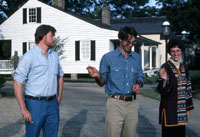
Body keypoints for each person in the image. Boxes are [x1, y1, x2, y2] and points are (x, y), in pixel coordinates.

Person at [87, 26, 144, 137]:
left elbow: (140, 76)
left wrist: (138, 84)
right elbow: (102, 82)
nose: (131, 45)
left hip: (132, 104)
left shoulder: (137, 58)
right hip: (115, 104)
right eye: (128, 42)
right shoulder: (108, 58)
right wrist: (97, 75)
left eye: (133, 42)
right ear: (120, 40)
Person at [13, 24, 64, 137]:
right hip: (35, 105)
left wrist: (59, 97)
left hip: (52, 104)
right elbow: (17, 83)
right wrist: (24, 109)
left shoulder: (54, 56)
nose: (55, 38)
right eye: (52, 36)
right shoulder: (29, 56)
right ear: (43, 37)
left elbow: (60, 76)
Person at [158, 38, 194, 137]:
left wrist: (187, 109)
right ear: (169, 52)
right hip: (169, 110)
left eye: (178, 51)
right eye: (173, 51)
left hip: (181, 111)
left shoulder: (184, 67)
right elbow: (162, 91)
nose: (175, 54)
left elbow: (188, 89)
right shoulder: (165, 67)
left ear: (181, 51)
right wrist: (164, 80)